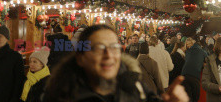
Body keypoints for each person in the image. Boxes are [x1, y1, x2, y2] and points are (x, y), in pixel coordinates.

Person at [43, 24, 188, 102]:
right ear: (81, 57)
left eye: (114, 47)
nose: (108, 55)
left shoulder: (134, 87)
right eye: (99, 48)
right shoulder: (58, 94)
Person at [181, 37, 208, 102]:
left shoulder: (187, 52)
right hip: (194, 76)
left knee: (188, 97)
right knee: (196, 97)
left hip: (184, 75)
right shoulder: (202, 51)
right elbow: (208, 61)